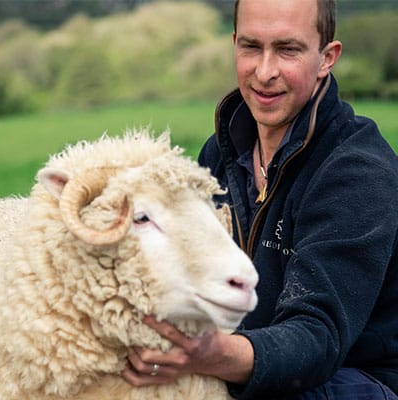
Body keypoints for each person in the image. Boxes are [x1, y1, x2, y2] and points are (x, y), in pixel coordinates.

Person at [122, 0, 398, 398]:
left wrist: (212, 356)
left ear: (326, 57)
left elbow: (318, 338)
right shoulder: (218, 154)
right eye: (251, 47)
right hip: (242, 358)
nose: (265, 72)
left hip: (356, 378)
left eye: (288, 49)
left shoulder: (359, 172)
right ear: (234, 44)